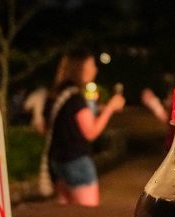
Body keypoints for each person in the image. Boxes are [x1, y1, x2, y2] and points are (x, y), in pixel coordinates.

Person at [43, 49, 125, 206]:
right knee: (87, 214)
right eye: (91, 65)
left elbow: (46, 127)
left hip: (57, 161)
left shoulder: (56, 95)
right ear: (80, 69)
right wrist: (110, 108)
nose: (95, 69)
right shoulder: (75, 99)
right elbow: (90, 132)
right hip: (77, 162)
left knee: (65, 214)